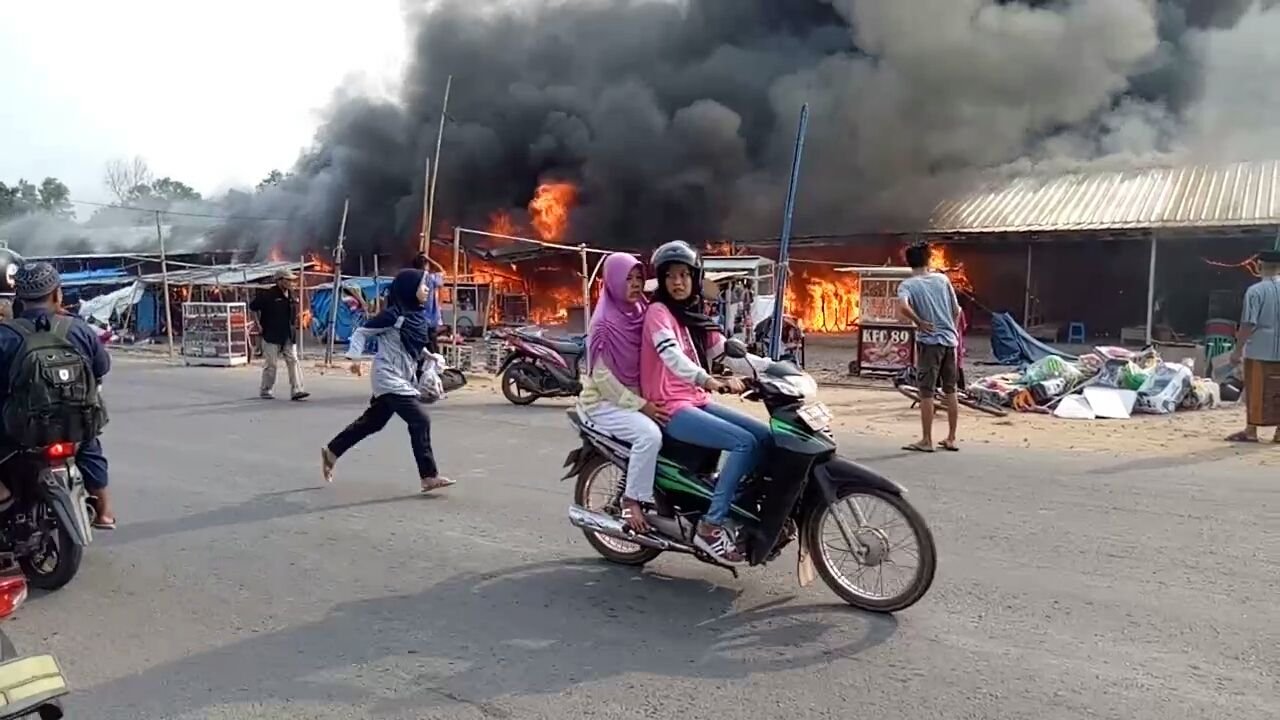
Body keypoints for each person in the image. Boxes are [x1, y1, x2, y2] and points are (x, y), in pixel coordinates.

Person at [641, 241, 771, 564]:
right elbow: (670, 355)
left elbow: (726, 352)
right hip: (671, 406)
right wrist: (708, 379)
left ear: (695, 278)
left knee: (766, 437)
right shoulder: (659, 313)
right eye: (670, 276)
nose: (678, 282)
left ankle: (739, 503)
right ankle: (711, 525)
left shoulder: (695, 317)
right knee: (743, 443)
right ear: (662, 279)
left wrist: (773, 368)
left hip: (696, 400)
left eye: (684, 275)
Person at [0, 263, 115, 528]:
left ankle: (3, 495)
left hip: (22, 429)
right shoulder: (79, 329)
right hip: (77, 423)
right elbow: (102, 367)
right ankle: (105, 511)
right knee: (90, 445)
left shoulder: (6, 335)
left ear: (19, 299)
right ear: (57, 294)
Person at [321, 269, 453, 493]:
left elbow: (410, 344)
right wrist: (354, 358)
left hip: (402, 377)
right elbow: (362, 331)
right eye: (423, 286)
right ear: (409, 289)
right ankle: (428, 476)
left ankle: (332, 451)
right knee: (420, 419)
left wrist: (430, 356)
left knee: (374, 422)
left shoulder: (413, 316)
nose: (428, 289)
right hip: (388, 377)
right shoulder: (393, 315)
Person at [577, 253, 665, 532]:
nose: (636, 284)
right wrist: (642, 406)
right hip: (604, 403)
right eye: (628, 278)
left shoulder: (641, 311)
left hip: (636, 395)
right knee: (648, 436)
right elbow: (604, 380)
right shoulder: (603, 324)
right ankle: (631, 500)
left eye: (639, 277)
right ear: (613, 281)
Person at [897, 242, 962, 453]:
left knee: (926, 392)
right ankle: (951, 438)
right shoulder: (942, 279)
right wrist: (949, 327)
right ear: (928, 260)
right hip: (949, 342)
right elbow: (957, 310)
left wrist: (920, 322)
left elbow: (903, 307)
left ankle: (927, 440)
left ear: (908, 262)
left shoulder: (908, 285)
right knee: (951, 390)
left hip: (929, 343)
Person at [1226, 249, 1280, 443]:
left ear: (1259, 266)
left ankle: (1251, 430)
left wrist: (1237, 350)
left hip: (1259, 349)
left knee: (1256, 389)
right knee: (1278, 389)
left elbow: (1249, 323)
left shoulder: (1255, 291)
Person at [250, 269, 309, 401]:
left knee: (293, 361)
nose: (290, 282)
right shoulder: (268, 295)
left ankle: (297, 390)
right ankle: (266, 390)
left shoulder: (292, 295)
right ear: (279, 281)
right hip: (271, 334)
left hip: (288, 334)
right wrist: (258, 324)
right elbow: (253, 307)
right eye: (287, 280)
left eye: (291, 280)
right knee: (271, 364)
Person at [410, 253, 446, 355]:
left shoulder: (412, 278)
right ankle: (435, 363)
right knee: (432, 346)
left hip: (417, 317)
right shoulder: (431, 278)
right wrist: (430, 258)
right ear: (426, 265)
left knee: (421, 345)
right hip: (430, 318)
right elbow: (443, 271)